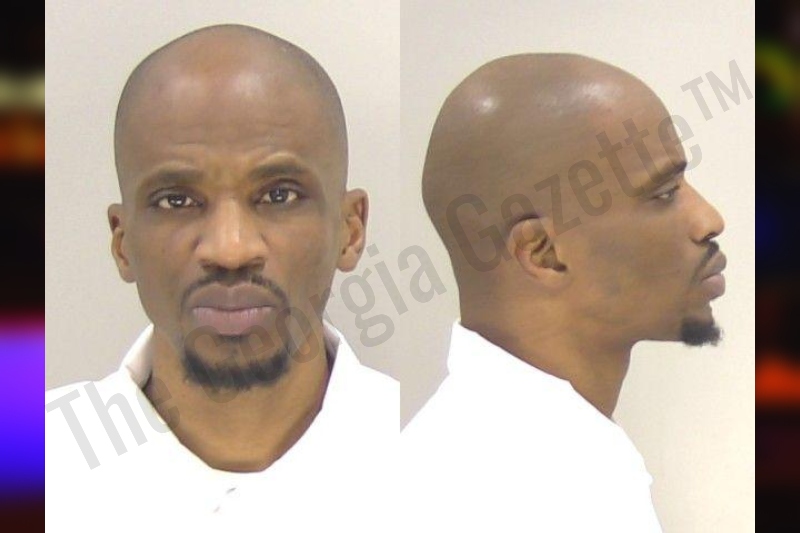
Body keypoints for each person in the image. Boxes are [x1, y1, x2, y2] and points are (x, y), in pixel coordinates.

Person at [45, 25, 397, 531]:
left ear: (350, 230)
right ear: (123, 243)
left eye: (279, 196)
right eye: (177, 200)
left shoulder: (439, 460)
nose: (230, 250)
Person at [402, 54, 726, 531]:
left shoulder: (548, 466)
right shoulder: (510, 496)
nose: (709, 220)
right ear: (544, 253)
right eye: (663, 194)